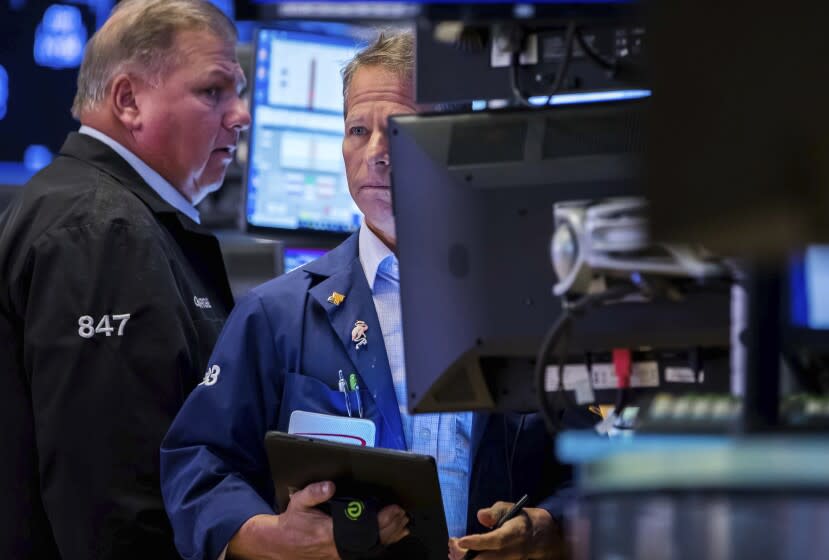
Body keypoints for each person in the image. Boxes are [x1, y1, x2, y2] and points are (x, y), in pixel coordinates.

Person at [161, 31, 571, 560]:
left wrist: (547, 527)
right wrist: (268, 536)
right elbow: (198, 465)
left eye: (401, 130)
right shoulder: (277, 314)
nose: (376, 154)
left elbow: (596, 475)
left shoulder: (534, 309)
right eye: (358, 130)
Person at [0, 1, 250, 558]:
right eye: (213, 92)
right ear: (128, 101)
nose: (240, 115)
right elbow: (112, 508)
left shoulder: (91, 210)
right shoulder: (103, 231)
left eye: (239, 92)